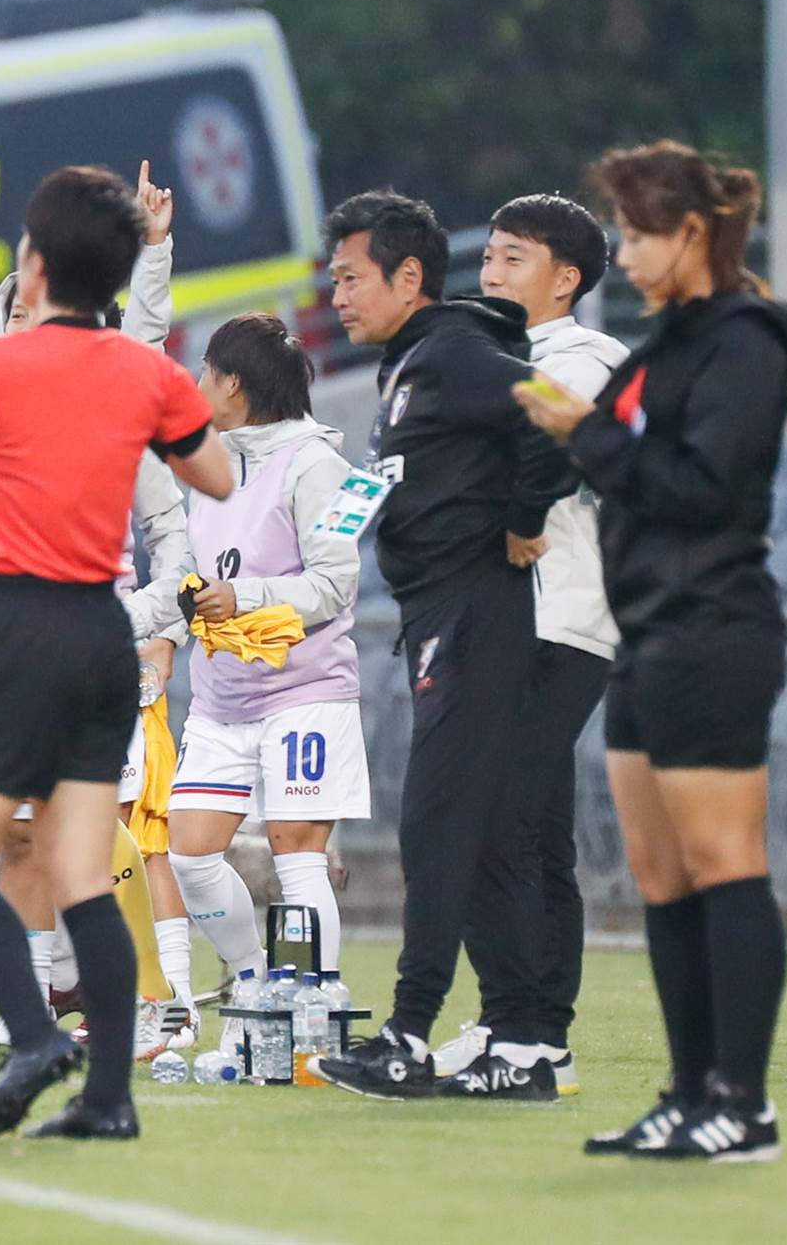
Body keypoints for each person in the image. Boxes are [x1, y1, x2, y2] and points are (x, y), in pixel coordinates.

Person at [0, 164, 232, 1142]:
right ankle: (109, 1098)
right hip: (102, 630)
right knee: (81, 869)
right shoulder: (148, 372)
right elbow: (210, 473)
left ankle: (35, 1036)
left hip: (11, 622)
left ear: (32, 266)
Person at [516, 144, 787, 1161]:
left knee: (722, 865)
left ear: (692, 233)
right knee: (659, 876)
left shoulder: (741, 342)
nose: (624, 251)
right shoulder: (665, 341)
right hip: (648, 629)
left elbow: (702, 489)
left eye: (640, 232)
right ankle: (689, 1095)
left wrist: (581, 433)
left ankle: (743, 1102)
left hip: (712, 626)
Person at [307, 189, 575, 1105]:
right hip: (446, 615)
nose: (336, 296)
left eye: (349, 277)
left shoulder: (454, 351)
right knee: (493, 835)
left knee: (437, 826)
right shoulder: (415, 361)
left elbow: (561, 414)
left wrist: (523, 516)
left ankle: (409, 1036)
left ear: (407, 275)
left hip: (473, 612)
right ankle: (525, 1043)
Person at [120, 313, 365, 1034]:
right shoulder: (213, 469)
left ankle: (315, 1008)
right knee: (190, 854)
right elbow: (187, 582)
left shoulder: (321, 465)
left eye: (203, 373)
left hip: (305, 693)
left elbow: (336, 584)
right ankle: (256, 981)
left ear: (232, 383)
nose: (195, 387)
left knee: (297, 854)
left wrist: (249, 597)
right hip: (223, 699)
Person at [430, 193, 622, 1095]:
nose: (491, 272)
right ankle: (530, 1030)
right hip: (503, 617)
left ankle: (526, 1033)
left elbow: (563, 450)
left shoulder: (587, 359)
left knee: (492, 820)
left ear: (566, 279)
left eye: (513, 258)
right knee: (533, 830)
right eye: (491, 256)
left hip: (554, 616)